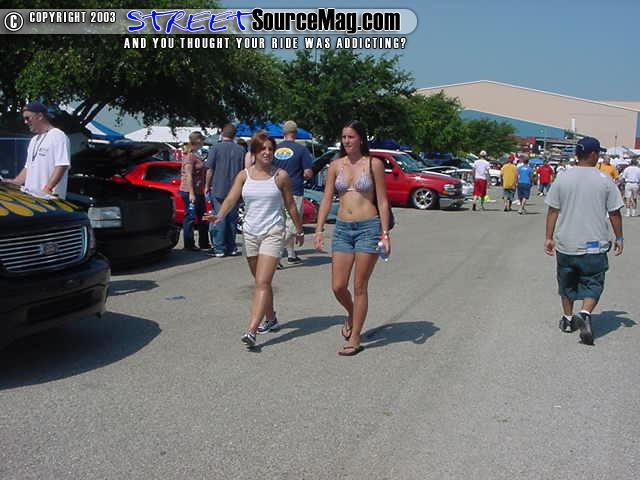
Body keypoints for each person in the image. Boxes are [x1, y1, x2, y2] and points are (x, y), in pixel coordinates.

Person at [205, 131, 304, 348]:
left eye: (270, 149)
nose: (267, 152)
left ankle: (251, 330)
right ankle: (271, 318)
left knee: (262, 283)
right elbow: (231, 198)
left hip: (272, 233)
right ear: (254, 152)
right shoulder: (244, 175)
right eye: (263, 149)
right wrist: (219, 216)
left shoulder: (280, 176)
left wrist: (299, 229)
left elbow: (290, 205)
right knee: (260, 282)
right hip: (250, 234)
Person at [314, 120, 392, 356]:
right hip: (342, 229)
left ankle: (355, 337)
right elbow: (327, 198)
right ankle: (351, 312)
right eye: (344, 137)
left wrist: (385, 233)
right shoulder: (336, 165)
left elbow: (383, 200)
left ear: (361, 139)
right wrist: (318, 229)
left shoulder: (373, 164)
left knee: (359, 286)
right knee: (338, 286)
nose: (347, 141)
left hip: (368, 228)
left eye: (351, 137)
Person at [544, 137, 624, 346]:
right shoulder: (604, 179)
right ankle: (585, 313)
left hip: (566, 243)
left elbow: (553, 210)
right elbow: (614, 213)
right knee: (593, 282)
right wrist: (619, 237)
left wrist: (548, 237)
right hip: (594, 244)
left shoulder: (563, 178)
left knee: (566, 282)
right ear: (594, 154)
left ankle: (568, 319)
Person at [8, 101, 70, 199]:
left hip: (49, 201)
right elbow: (28, 168)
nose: (25, 122)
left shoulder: (58, 136)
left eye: (27, 118)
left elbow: (62, 165)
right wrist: (13, 182)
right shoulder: (33, 140)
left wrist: (47, 188)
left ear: (40, 116)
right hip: (31, 200)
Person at [273, 120, 313, 266]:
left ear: (283, 133)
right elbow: (308, 172)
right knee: (292, 225)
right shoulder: (301, 149)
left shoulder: (275, 149)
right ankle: (275, 256)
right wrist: (304, 176)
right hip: (294, 190)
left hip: (275, 190)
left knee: (280, 224)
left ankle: (291, 254)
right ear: (295, 133)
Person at [205, 123, 245, 257]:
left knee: (219, 217)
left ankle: (219, 248)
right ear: (234, 135)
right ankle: (231, 247)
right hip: (235, 189)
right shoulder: (241, 150)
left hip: (219, 188)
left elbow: (210, 169)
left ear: (222, 133)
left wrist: (207, 185)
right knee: (232, 219)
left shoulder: (215, 148)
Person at [177, 131, 210, 251]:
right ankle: (189, 244)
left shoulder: (197, 155)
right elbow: (189, 175)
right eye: (202, 140)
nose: (203, 142)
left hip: (198, 190)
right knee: (190, 217)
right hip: (189, 191)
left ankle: (204, 243)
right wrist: (191, 193)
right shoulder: (189, 156)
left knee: (203, 217)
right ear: (197, 141)